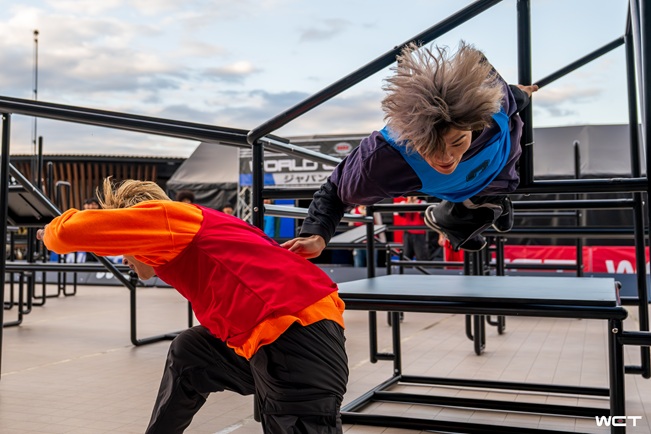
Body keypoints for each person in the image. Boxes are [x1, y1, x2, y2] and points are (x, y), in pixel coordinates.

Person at [37, 178, 349, 434]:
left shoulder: (167, 218)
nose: (123, 256)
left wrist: (47, 232)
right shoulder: (197, 229)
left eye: (123, 243)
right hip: (273, 338)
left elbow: (66, 233)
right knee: (192, 351)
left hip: (298, 339)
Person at [282, 41, 538, 258]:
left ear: (475, 124)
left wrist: (524, 93)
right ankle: (469, 212)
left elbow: (514, 96)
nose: (445, 158)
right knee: (482, 205)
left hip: (499, 165)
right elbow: (335, 192)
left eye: (457, 142)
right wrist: (317, 235)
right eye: (429, 147)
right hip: (463, 183)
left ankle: (483, 205)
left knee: (501, 185)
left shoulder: (495, 105)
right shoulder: (383, 159)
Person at [397, 196, 430, 261]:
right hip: (407, 233)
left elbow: (424, 215)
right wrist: (408, 202)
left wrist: (416, 205)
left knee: (421, 255)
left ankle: (421, 267)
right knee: (406, 255)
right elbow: (401, 214)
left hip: (419, 233)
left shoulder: (422, 203)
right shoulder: (403, 203)